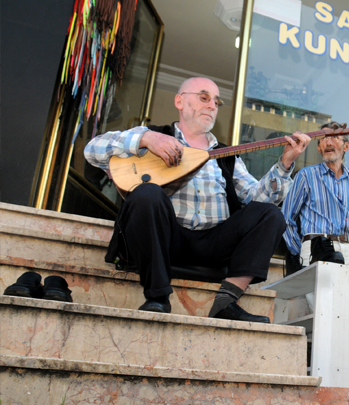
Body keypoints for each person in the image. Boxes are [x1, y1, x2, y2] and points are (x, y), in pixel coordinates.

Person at [85, 77, 311, 322]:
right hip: (165, 238)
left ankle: (227, 301)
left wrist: (285, 163)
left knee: (270, 215)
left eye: (216, 101)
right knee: (147, 193)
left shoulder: (226, 155)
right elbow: (92, 150)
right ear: (179, 101)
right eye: (204, 98)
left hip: (214, 243)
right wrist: (145, 139)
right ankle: (157, 297)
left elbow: (258, 199)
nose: (212, 105)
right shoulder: (152, 137)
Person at [280, 121, 349, 405]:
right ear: (318, 145)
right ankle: (328, 399)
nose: (328, 143)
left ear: (345, 146)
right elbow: (286, 219)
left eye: (335, 138)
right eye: (323, 138)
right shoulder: (306, 176)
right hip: (318, 249)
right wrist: (301, 251)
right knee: (329, 323)